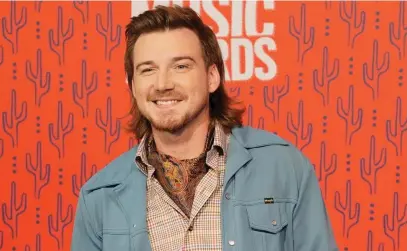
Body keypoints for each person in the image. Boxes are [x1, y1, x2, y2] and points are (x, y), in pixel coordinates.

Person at [71, 5, 338, 251]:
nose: (163, 83)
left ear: (212, 77)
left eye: (181, 66)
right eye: (147, 70)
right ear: (132, 85)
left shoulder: (283, 167)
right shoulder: (99, 196)